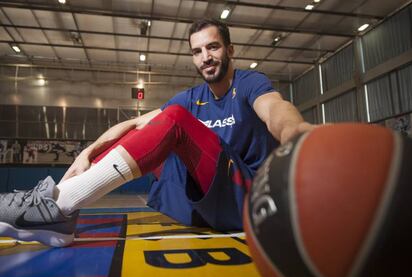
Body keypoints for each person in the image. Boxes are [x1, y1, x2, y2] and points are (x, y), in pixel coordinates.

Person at [0, 19, 314, 247]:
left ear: (229, 49)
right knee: (155, 127)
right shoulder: (191, 98)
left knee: (174, 120)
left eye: (213, 47)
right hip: (208, 203)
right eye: (197, 51)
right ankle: (60, 208)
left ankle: (58, 205)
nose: (205, 57)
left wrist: (298, 132)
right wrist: (87, 152)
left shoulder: (249, 83)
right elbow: (134, 125)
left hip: (248, 197)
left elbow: (275, 110)